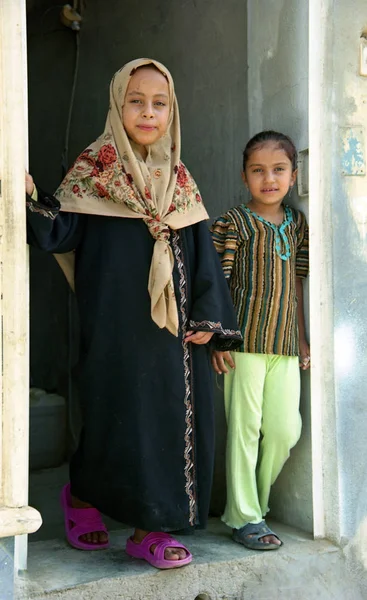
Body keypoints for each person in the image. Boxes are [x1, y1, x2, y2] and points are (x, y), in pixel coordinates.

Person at [25, 58, 242, 569]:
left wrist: (210, 322)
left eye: (160, 103)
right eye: (136, 101)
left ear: (173, 111)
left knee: (169, 424)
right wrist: (29, 197)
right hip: (115, 330)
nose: (149, 112)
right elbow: (61, 232)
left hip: (174, 334)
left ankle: (152, 528)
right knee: (112, 421)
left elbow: (203, 256)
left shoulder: (180, 181)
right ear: (117, 104)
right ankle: (81, 498)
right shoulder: (94, 171)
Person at [211, 130, 310, 550]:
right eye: (258, 170)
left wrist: (302, 339)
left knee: (285, 431)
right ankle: (245, 516)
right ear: (244, 175)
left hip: (285, 346)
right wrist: (218, 338)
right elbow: (215, 284)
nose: (269, 179)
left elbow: (299, 283)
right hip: (243, 346)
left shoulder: (296, 224)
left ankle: (254, 504)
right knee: (245, 431)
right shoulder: (232, 223)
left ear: (293, 174)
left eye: (279, 169)